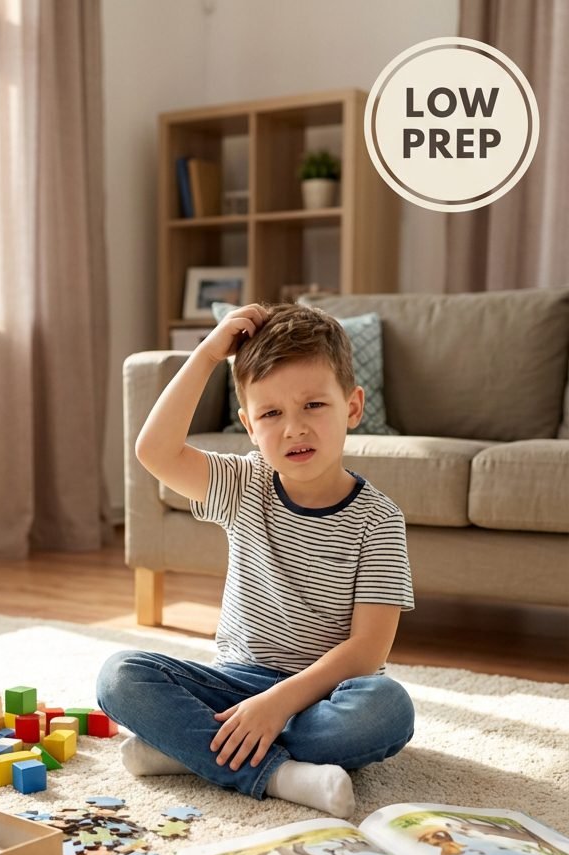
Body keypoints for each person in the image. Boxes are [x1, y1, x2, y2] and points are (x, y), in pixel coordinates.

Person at [97, 302, 415, 817]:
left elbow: (366, 651)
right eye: (271, 414)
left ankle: (191, 749)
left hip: (325, 695)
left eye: (314, 405)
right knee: (119, 675)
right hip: (235, 683)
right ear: (248, 425)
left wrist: (278, 705)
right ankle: (280, 776)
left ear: (353, 408)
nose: (294, 429)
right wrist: (207, 355)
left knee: (388, 711)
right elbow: (154, 450)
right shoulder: (244, 484)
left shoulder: (379, 520)